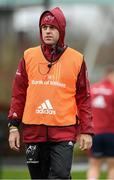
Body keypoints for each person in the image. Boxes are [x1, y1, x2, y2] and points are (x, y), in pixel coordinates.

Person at [8, 7, 93, 179]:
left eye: (52, 28)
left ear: (61, 30)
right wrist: (13, 127)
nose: (47, 31)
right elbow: (18, 94)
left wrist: (87, 131)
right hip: (33, 131)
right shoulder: (28, 56)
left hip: (64, 132)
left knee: (60, 175)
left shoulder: (77, 59)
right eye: (44, 28)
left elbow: (84, 98)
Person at [87, 67, 114, 180]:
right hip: (111, 133)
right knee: (112, 166)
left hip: (94, 133)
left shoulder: (92, 89)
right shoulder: (113, 90)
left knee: (94, 165)